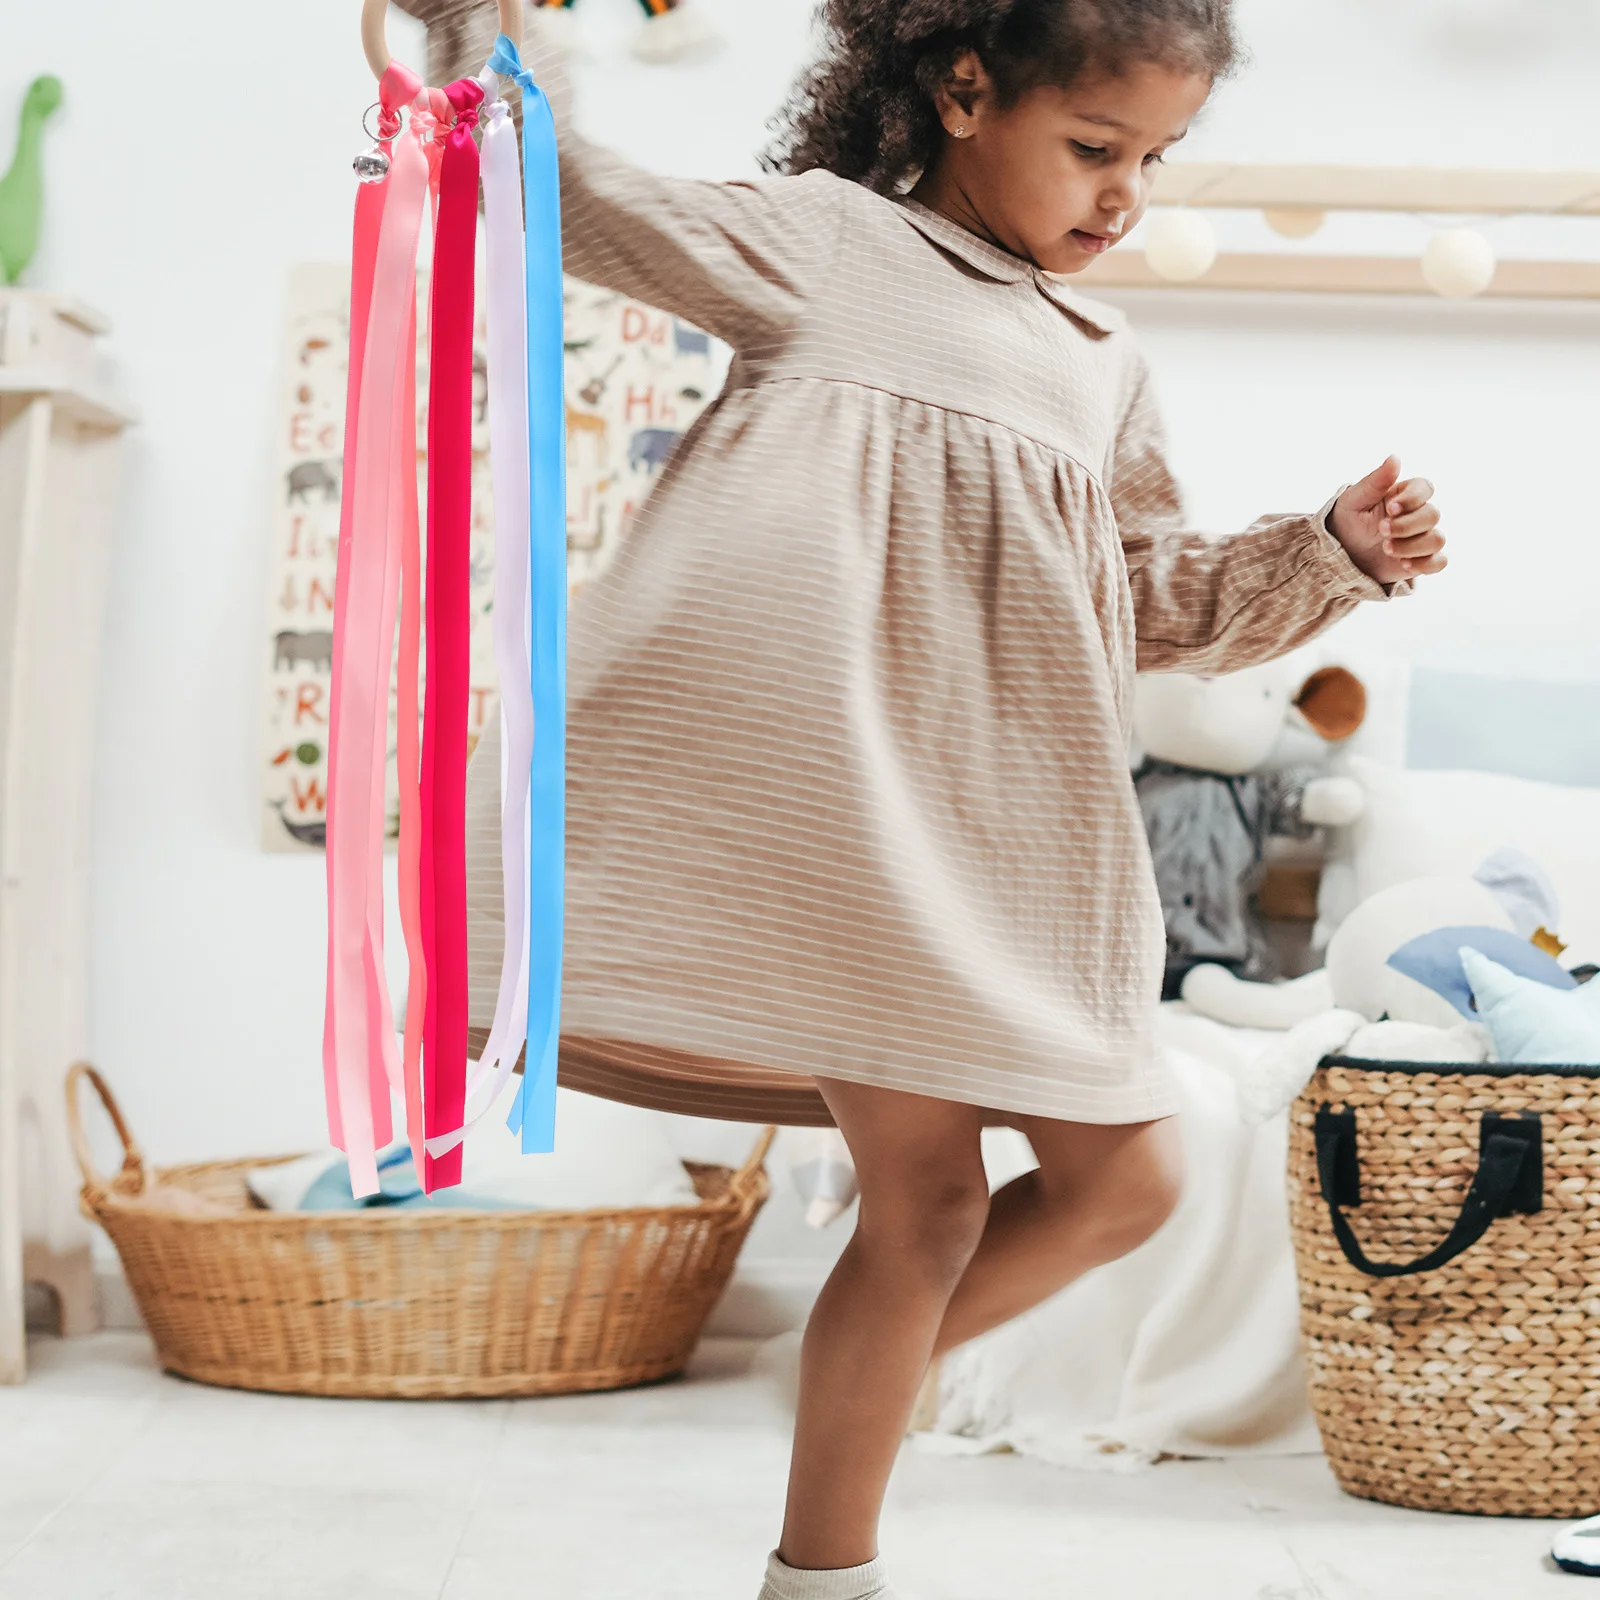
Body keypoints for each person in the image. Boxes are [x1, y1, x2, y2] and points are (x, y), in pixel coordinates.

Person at [466, 3, 1447, 1595]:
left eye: (1156, 161)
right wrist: (486, 32)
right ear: (964, 88)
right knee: (925, 1204)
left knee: (1121, 1177)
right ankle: (826, 1562)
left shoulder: (1101, 363)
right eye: (1095, 148)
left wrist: (1328, 551)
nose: (1125, 196)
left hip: (1001, 821)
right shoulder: (832, 246)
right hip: (846, 809)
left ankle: (862, 1371)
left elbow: (1143, 596)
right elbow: (574, 195)